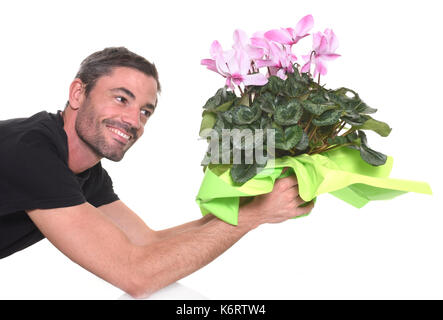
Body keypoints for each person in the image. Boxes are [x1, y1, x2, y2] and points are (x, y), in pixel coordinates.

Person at [0, 47, 314, 298]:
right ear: (78, 94)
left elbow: (145, 244)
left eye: (145, 111)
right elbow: (135, 274)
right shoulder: (32, 152)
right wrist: (253, 216)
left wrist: (249, 207)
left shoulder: (87, 172)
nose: (133, 120)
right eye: (121, 99)